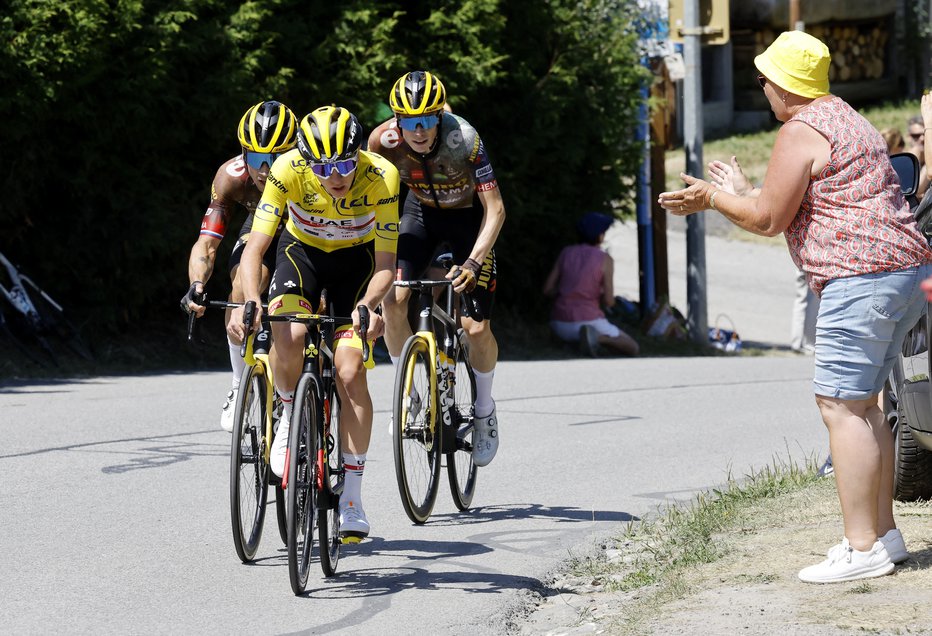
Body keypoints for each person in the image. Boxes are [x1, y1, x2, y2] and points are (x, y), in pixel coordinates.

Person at [659, 30, 932, 584]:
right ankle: (884, 536)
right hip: (901, 272)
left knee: (841, 407)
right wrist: (741, 189)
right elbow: (776, 202)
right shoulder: (846, 117)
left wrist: (712, 197)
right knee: (868, 407)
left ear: (783, 85)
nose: (762, 89)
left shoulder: (800, 129)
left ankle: (862, 548)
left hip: (861, 279)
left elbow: (766, 220)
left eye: (763, 80)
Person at [228, 105, 400, 542]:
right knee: (289, 331)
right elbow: (254, 249)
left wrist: (368, 306)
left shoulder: (381, 176)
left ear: (358, 153)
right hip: (301, 254)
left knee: (349, 369)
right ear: (306, 160)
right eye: (323, 167)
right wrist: (250, 299)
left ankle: (353, 498)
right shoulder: (287, 169)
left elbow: (385, 263)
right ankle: (288, 415)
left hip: (357, 264)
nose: (336, 175)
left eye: (345, 163)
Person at [367, 70, 506, 468]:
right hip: (419, 214)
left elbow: (495, 209)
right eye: (409, 122)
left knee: (475, 327)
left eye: (427, 120)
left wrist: (474, 261)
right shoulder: (382, 141)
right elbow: (366, 200)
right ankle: (409, 391)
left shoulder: (464, 137)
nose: (419, 131)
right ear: (397, 121)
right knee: (394, 300)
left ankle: (483, 410)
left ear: (439, 117)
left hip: (466, 218)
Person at [180, 101, 297, 432]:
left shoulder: (309, 173)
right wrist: (197, 285)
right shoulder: (230, 177)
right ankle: (237, 384)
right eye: (257, 159)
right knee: (242, 286)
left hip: (305, 236)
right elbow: (207, 243)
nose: (265, 169)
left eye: (276, 158)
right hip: (260, 231)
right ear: (244, 154)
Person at [542, 212, 639, 357]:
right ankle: (599, 338)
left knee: (570, 333)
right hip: (589, 320)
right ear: (600, 236)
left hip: (559, 322)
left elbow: (547, 290)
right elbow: (609, 301)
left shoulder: (566, 252)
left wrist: (567, 291)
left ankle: (568, 341)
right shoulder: (605, 259)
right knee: (632, 347)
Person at [906, 114, 930, 198]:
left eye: (925, 135)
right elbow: (913, 189)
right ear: (908, 137)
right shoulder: (902, 159)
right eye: (916, 136)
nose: (922, 139)